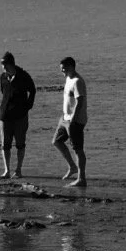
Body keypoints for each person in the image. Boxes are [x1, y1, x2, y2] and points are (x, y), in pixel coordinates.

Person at [0, 53, 36, 179]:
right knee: (5, 144)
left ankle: (18, 170)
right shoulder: (3, 77)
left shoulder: (23, 76)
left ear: (11, 64)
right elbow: (3, 92)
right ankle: (7, 170)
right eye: (2, 65)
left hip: (20, 116)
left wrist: (27, 106)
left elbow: (32, 90)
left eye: (5, 65)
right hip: (5, 115)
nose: (3, 67)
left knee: (20, 143)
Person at [53, 56, 88, 186]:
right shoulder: (68, 78)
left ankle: (81, 179)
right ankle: (72, 167)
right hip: (65, 118)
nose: (62, 71)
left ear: (71, 67)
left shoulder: (78, 81)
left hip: (75, 120)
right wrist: (64, 115)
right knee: (56, 141)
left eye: (64, 69)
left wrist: (73, 119)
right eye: (61, 69)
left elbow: (80, 102)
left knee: (78, 149)